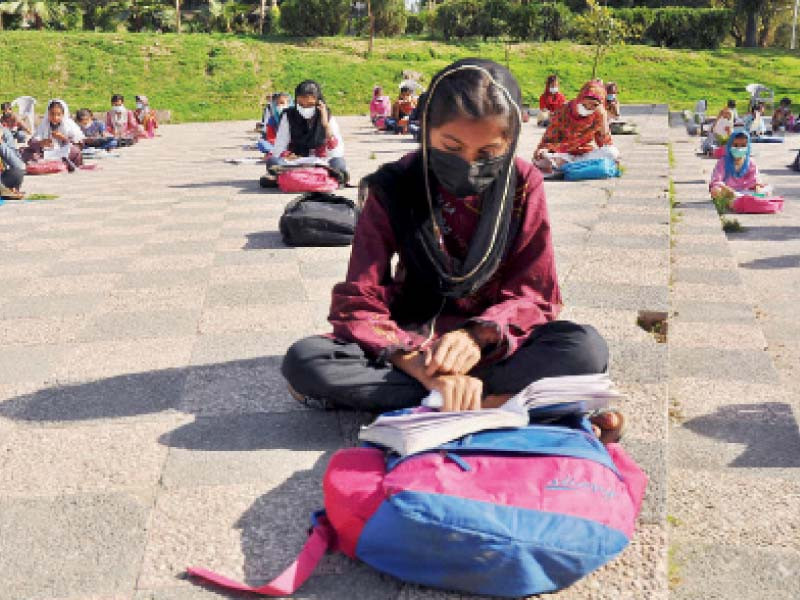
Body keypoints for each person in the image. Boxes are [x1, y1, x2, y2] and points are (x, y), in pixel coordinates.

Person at [281, 58, 620, 440]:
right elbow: (360, 298)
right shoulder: (393, 185)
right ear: (426, 132)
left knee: (584, 349)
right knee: (307, 361)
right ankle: (498, 403)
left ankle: (445, 401)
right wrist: (422, 365)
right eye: (451, 146)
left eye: (488, 153)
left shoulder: (523, 182)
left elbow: (534, 294)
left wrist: (476, 336)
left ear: (509, 144)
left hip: (494, 344)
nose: (469, 165)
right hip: (412, 339)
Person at [265, 80, 347, 178]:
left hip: (321, 163)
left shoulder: (326, 115)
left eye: (310, 104)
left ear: (319, 103)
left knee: (339, 164)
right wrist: (287, 155)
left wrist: (325, 124)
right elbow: (279, 146)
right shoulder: (289, 116)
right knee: (273, 162)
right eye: (301, 104)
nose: (305, 108)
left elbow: (336, 151)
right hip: (295, 163)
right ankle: (316, 177)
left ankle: (300, 177)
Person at [533, 79, 619, 173]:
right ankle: (573, 166)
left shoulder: (597, 115)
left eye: (594, 105)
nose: (589, 107)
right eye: (587, 103)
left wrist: (603, 120)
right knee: (540, 159)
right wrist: (544, 150)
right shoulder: (564, 110)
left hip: (584, 154)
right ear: (581, 98)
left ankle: (568, 166)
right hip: (562, 153)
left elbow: (605, 144)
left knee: (612, 153)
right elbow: (548, 138)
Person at [709, 129, 766, 204]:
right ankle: (735, 201)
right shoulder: (723, 162)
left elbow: (755, 180)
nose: (739, 148)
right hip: (728, 191)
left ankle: (742, 201)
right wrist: (729, 191)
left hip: (745, 191)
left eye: (743, 146)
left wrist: (757, 188)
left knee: (765, 190)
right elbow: (716, 180)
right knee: (715, 191)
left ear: (748, 147)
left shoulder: (750, 162)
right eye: (735, 145)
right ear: (730, 146)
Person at [24, 99, 84, 168]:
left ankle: (67, 165)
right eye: (52, 114)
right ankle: (45, 165)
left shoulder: (69, 125)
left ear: (63, 114)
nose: (55, 117)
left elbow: (80, 144)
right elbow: (31, 142)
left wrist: (63, 138)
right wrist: (41, 143)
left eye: (58, 115)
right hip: (47, 154)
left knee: (75, 151)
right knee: (24, 151)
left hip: (65, 154)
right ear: (48, 113)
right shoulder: (44, 125)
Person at [0, 125, 26, 199]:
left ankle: (5, 189)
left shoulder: (5, 132)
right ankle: (5, 190)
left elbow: (19, 165)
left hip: (2, 178)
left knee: (17, 173)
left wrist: (1, 144)